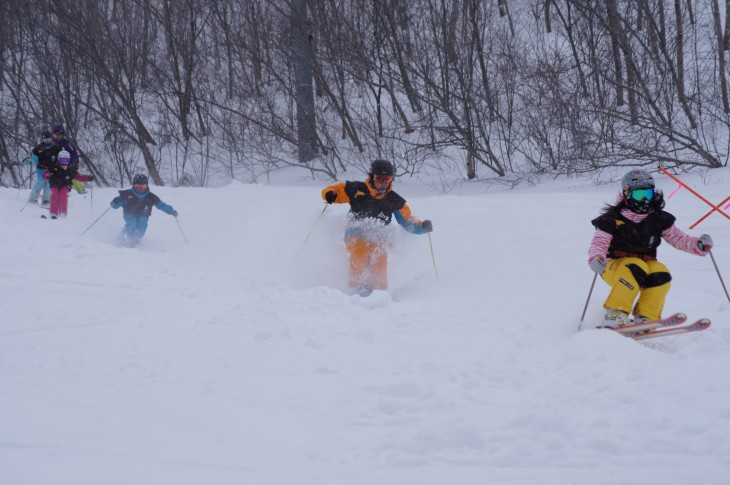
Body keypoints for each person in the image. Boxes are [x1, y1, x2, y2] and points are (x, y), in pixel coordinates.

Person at [587, 169, 713, 327]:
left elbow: (678, 238)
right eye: (639, 195)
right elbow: (599, 242)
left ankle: (646, 317)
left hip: (645, 264)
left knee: (661, 273)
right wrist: (596, 258)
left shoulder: (658, 218)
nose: (645, 199)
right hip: (613, 266)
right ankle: (615, 313)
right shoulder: (613, 219)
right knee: (635, 267)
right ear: (627, 194)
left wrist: (698, 245)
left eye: (648, 193)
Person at [321, 159, 433, 296]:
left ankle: (378, 291)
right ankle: (358, 287)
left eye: (387, 178)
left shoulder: (394, 200)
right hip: (355, 232)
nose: (383, 182)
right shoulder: (357, 189)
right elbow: (335, 190)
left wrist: (421, 226)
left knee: (380, 255)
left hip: (378, 237)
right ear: (372, 177)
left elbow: (407, 220)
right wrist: (330, 194)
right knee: (360, 249)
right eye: (379, 178)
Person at [110, 174, 178, 247]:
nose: (140, 189)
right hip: (129, 214)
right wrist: (115, 202)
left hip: (143, 214)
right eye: (138, 187)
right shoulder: (127, 194)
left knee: (142, 225)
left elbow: (161, 205)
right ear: (134, 186)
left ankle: (134, 242)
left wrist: (170, 210)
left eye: (142, 187)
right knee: (132, 223)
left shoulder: (151, 197)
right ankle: (122, 240)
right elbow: (114, 204)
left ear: (146, 186)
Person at [42, 150, 94, 219]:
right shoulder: (53, 167)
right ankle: (53, 212)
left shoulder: (70, 169)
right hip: (54, 184)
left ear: (69, 160)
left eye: (66, 160)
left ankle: (63, 212)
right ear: (58, 159)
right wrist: (47, 175)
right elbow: (44, 175)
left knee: (63, 194)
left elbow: (78, 177)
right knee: (55, 195)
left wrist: (88, 178)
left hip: (66, 185)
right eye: (62, 160)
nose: (64, 162)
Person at [24, 130, 57, 205]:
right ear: (42, 139)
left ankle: (46, 200)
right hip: (41, 169)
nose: (47, 141)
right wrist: (30, 161)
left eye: (49, 139)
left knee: (49, 183)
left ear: (51, 139)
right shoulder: (38, 149)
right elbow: (34, 159)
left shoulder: (54, 148)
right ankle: (33, 198)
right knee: (41, 182)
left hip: (50, 169)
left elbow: (58, 157)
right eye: (45, 140)